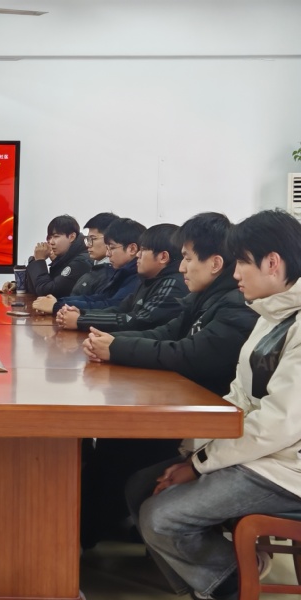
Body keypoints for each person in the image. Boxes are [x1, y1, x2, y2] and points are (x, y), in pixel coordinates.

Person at [129, 209, 301, 600]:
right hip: (262, 454)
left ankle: (231, 581)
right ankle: (209, 579)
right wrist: (195, 451)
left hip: (287, 469)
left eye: (242, 262)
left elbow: (277, 425)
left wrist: (198, 464)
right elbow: (239, 396)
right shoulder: (270, 313)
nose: (235, 274)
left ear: (272, 263)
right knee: (143, 486)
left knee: (161, 516)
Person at [78, 213, 259, 553]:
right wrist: (113, 343)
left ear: (215, 263)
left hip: (207, 419)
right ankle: (86, 529)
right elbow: (167, 333)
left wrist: (117, 348)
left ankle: (81, 533)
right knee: (116, 446)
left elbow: (190, 354)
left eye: (187, 258)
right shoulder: (208, 296)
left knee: (124, 450)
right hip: (192, 404)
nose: (182, 267)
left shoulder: (237, 305)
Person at [56, 223, 188, 332]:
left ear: (163, 257)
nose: (138, 255)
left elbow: (139, 321)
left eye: (143, 250)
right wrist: (81, 313)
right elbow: (120, 309)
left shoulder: (173, 283)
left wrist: (81, 320)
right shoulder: (148, 280)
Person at [34, 217, 143, 315]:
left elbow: (111, 306)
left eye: (112, 248)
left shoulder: (137, 277)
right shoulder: (122, 271)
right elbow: (99, 298)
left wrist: (57, 306)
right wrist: (58, 303)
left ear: (132, 249)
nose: (107, 253)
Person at [22, 214, 93, 298]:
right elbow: (41, 286)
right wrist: (20, 286)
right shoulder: (68, 256)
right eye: (49, 238)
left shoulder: (81, 262)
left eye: (56, 236)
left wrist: (39, 261)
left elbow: (48, 292)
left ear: (72, 237)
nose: (51, 242)